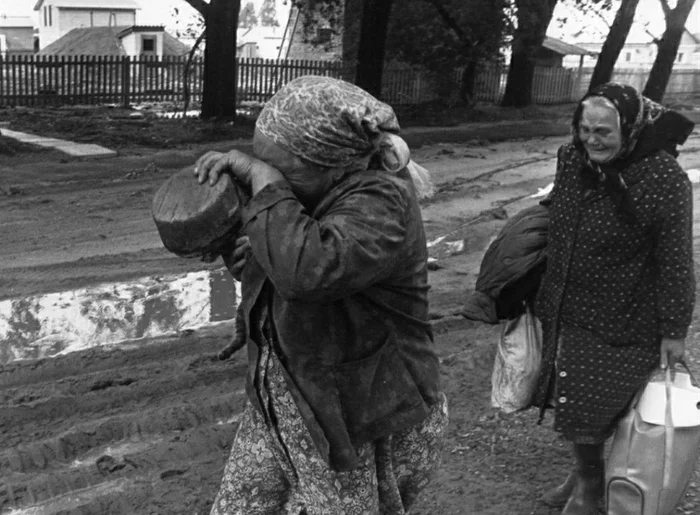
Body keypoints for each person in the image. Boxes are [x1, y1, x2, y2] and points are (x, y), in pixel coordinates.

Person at [194, 75, 448, 515]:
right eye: (261, 158)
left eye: (282, 169)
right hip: (288, 399)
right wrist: (255, 256)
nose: (266, 174)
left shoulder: (381, 200)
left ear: (332, 164)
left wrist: (265, 183)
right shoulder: (314, 192)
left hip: (360, 418)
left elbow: (310, 273)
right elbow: (288, 262)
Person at [534, 82, 696, 515]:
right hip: (568, 300)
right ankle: (585, 473)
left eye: (603, 131)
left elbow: (676, 260)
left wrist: (674, 330)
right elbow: (560, 216)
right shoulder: (571, 158)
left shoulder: (663, 177)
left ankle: (591, 484)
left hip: (625, 308)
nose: (591, 139)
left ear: (631, 127)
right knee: (570, 394)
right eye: (584, 128)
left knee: (600, 401)